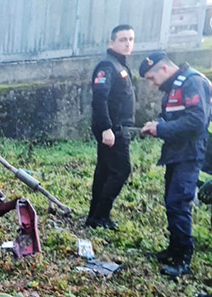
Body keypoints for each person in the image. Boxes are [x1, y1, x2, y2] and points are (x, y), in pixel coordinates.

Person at [140, 52, 212, 278]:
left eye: (152, 78)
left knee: (179, 202)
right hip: (176, 152)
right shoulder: (175, 87)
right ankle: (173, 249)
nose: (152, 84)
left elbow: (196, 121)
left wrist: (160, 129)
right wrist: (157, 125)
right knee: (171, 202)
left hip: (191, 153)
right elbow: (175, 119)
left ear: (163, 69)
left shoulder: (192, 81)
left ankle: (183, 259)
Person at [86, 24, 135, 230]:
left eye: (131, 39)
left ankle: (94, 217)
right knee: (121, 170)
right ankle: (100, 215)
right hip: (113, 130)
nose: (127, 43)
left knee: (105, 171)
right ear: (111, 43)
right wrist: (106, 127)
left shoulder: (119, 65)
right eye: (123, 39)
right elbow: (100, 98)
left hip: (118, 129)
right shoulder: (108, 66)